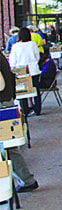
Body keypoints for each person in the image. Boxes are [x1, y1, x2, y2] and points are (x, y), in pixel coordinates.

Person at [0, 51, 39, 192]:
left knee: (7, 147)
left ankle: (26, 180)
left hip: (2, 104)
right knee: (9, 147)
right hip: (6, 102)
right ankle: (26, 180)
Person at [9, 27, 42, 116]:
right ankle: (37, 109)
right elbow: (37, 57)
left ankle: (25, 110)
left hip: (21, 71)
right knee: (35, 90)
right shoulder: (33, 44)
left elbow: (12, 61)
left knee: (22, 91)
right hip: (33, 70)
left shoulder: (15, 46)